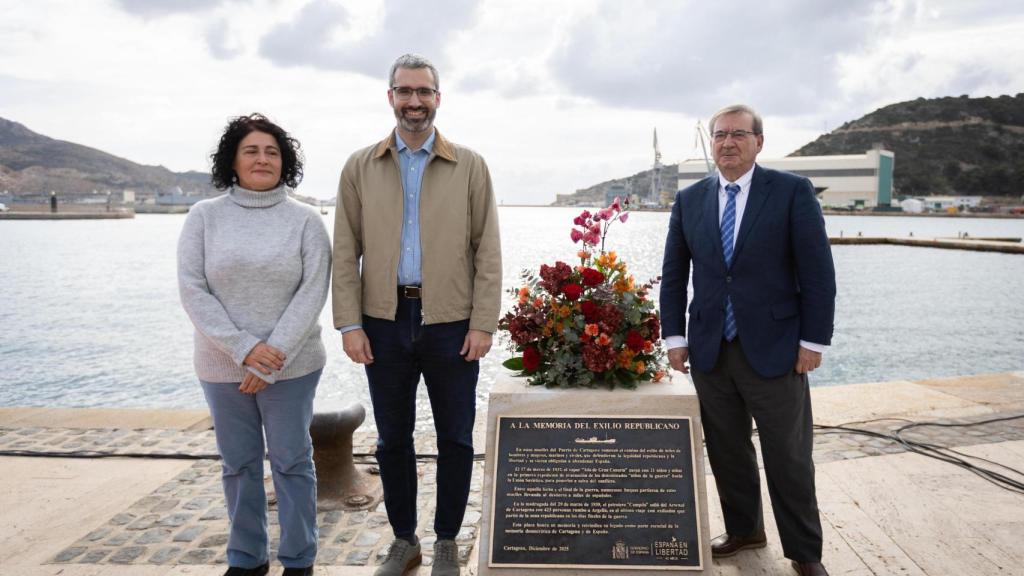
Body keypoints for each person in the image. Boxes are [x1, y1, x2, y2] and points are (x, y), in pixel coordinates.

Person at [332, 53, 501, 576]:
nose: (414, 102)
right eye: (404, 92)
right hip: (382, 320)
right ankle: (405, 540)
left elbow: (487, 250)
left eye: (423, 92)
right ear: (390, 98)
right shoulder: (360, 166)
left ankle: (446, 540)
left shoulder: (469, 165)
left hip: (451, 321)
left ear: (437, 98)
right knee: (391, 438)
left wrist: (482, 322)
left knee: (456, 436)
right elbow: (345, 249)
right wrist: (350, 323)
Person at [660, 104, 836, 576]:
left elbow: (818, 274)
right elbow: (675, 275)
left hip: (778, 348)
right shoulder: (691, 199)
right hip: (711, 350)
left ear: (759, 141)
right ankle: (745, 530)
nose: (727, 142)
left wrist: (814, 342)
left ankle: (805, 552)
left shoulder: (791, 192)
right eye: (719, 135)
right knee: (727, 449)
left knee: (789, 456)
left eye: (739, 134)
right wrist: (675, 336)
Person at [178, 113, 331, 576]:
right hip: (222, 366)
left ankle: (299, 559)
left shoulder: (305, 220)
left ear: (284, 162)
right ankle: (247, 559)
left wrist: (270, 357)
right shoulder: (204, 216)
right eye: (252, 150)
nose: (262, 159)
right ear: (234, 160)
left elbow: (313, 291)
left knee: (291, 462)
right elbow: (192, 289)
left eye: (272, 151)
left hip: (293, 366)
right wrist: (244, 349)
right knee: (238, 464)